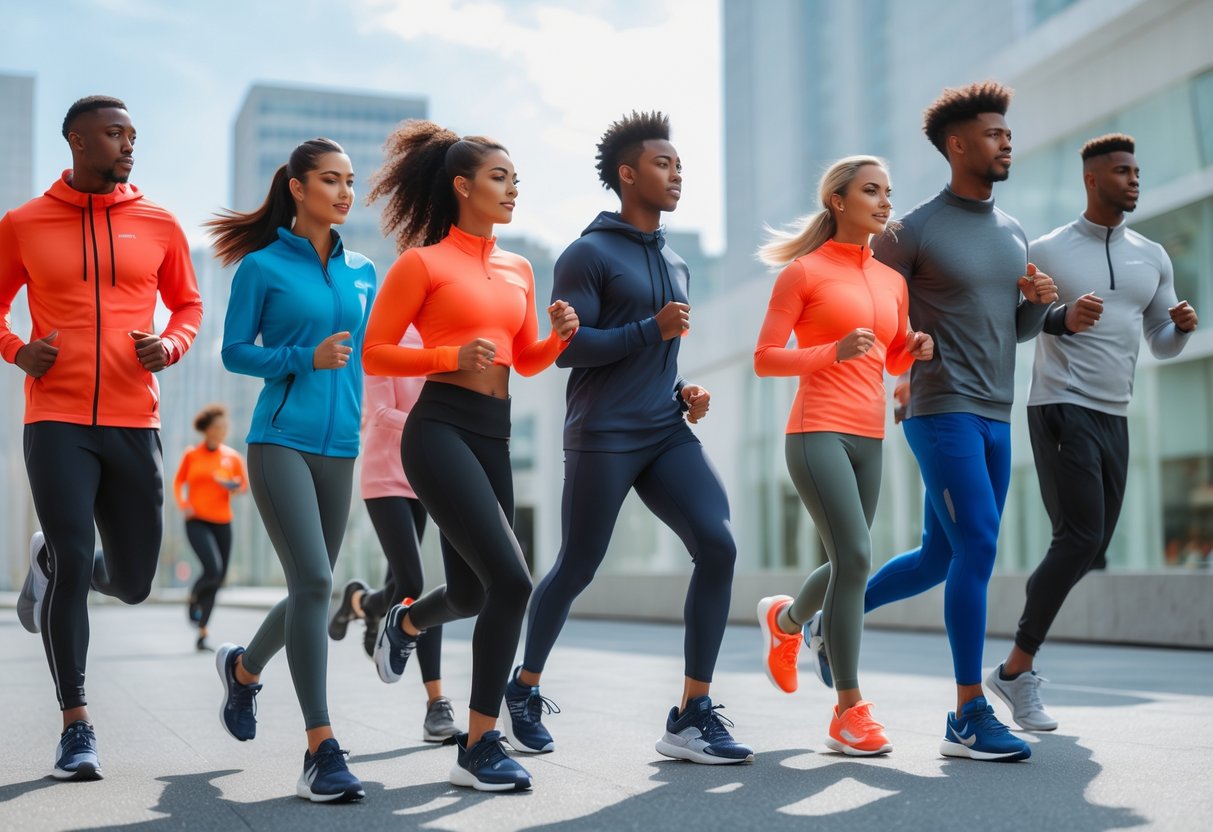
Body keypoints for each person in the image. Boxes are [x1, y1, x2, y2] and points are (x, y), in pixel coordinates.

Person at [809, 82, 1058, 762]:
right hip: (938, 409)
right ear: (956, 144)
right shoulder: (910, 231)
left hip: (993, 415)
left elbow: (1010, 330)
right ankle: (966, 714)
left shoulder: (1011, 232)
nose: (1005, 142)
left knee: (937, 558)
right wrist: (892, 368)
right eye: (991, 133)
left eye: (1007, 133)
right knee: (978, 545)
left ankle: (835, 622)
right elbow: (859, 300)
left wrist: (1036, 304)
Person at [503, 111, 754, 767]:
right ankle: (524, 686)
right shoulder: (587, 253)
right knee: (577, 565)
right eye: (663, 163)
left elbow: (659, 354)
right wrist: (652, 329)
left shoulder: (674, 260)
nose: (676, 174)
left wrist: (682, 391)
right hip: (603, 433)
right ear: (626, 173)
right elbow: (570, 349)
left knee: (718, 545)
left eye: (678, 165)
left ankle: (691, 713)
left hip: (664, 430)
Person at [361, 120, 578, 793]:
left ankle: (403, 621)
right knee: (512, 582)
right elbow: (374, 351)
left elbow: (525, 360)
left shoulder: (517, 267)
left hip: (495, 431)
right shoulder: (421, 263)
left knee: (469, 590)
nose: (512, 190)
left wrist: (557, 339)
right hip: (439, 429)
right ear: (462, 187)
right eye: (498, 178)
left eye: (515, 179)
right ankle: (480, 744)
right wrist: (446, 357)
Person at [3, 95, 202, 781]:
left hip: (132, 419)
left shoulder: (158, 222)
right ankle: (77, 726)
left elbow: (189, 304)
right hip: (54, 418)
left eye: (133, 135)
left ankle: (54, 563)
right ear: (76, 141)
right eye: (115, 134)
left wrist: (170, 346)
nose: (128, 146)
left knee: (136, 581)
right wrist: (14, 348)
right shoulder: (24, 223)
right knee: (72, 547)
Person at [986, 133, 1198, 731]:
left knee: (1091, 545)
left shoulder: (1152, 255)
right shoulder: (1048, 249)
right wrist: (1061, 316)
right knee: (1079, 536)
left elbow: (1160, 341)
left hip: (1114, 412)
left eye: (1136, 170)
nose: (1134, 179)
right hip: (1059, 404)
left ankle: (1015, 664)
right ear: (1091, 179)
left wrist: (1180, 326)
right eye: (1122, 171)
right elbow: (1019, 322)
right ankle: (1015, 671)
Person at [207, 138, 375, 803]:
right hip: (279, 440)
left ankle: (244, 671)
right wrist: (304, 357)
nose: (342, 192)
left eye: (350, 181)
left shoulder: (363, 270)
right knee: (313, 579)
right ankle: (321, 749)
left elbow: (369, 356)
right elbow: (234, 353)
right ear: (298, 188)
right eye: (329, 180)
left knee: (317, 589)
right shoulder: (262, 267)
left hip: (341, 447)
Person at [753, 156, 934, 756]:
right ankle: (848, 711)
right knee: (856, 556)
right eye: (871, 191)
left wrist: (912, 348)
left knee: (846, 559)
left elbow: (891, 360)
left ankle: (785, 621)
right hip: (816, 430)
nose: (884, 202)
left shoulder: (892, 280)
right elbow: (765, 357)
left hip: (871, 434)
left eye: (888, 191)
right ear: (838, 201)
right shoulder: (803, 273)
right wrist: (829, 351)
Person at [328, 325, 462, 743]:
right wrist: (433, 429)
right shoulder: (382, 340)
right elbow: (380, 412)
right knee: (413, 583)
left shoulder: (443, 337)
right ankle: (435, 704)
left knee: (407, 586)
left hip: (425, 475)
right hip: (385, 476)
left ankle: (361, 603)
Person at [173, 404, 247, 652]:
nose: (221, 432)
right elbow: (178, 482)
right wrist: (184, 504)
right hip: (196, 520)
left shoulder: (233, 457)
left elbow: (242, 485)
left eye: (224, 428)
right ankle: (194, 596)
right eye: (217, 428)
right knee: (212, 568)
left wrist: (232, 486)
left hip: (222, 521)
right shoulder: (191, 455)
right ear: (206, 430)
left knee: (218, 578)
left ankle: (203, 633)